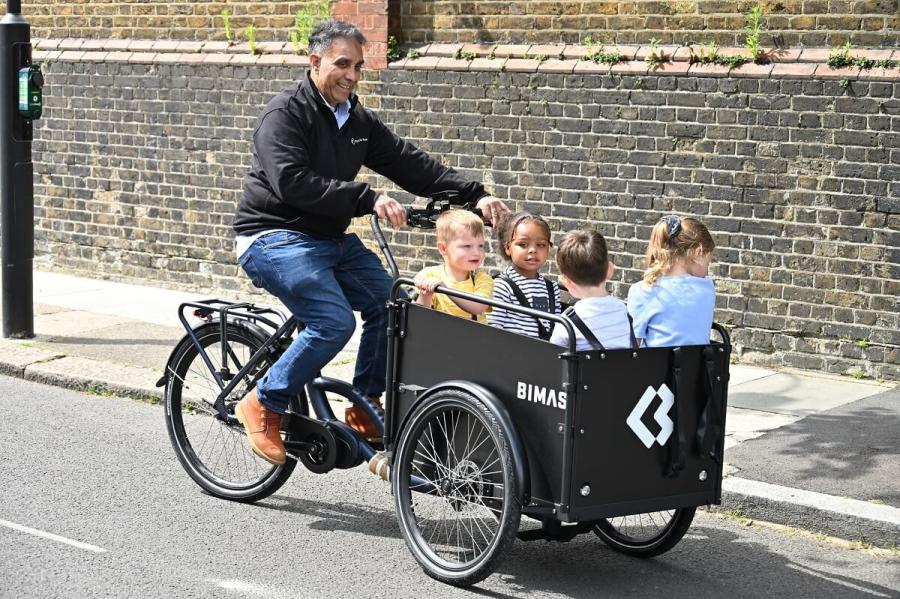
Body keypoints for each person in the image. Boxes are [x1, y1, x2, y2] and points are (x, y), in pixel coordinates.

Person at [231, 19, 508, 464]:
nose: (352, 75)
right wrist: (367, 197)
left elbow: (410, 164)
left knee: (392, 305)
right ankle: (264, 401)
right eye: (343, 64)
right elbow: (292, 183)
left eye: (359, 66)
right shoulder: (283, 116)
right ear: (314, 61)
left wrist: (475, 194)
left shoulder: (356, 120)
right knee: (333, 323)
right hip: (272, 236)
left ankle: (364, 402)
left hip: (327, 238)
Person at [627, 215, 716, 347]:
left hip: (656, 367)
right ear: (698, 252)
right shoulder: (708, 288)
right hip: (698, 367)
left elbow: (632, 347)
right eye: (708, 263)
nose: (707, 271)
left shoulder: (643, 291)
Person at [549, 229, 634, 351]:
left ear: (566, 282)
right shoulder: (624, 312)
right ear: (610, 270)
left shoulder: (567, 323)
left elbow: (554, 358)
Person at [488, 211, 561, 339]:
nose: (533, 250)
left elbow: (556, 331)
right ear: (508, 248)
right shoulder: (502, 286)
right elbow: (493, 330)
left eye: (541, 245)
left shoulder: (552, 288)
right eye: (523, 244)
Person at [414, 210, 493, 322]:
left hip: (473, 338)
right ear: (443, 248)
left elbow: (478, 308)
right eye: (467, 246)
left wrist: (445, 289)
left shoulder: (482, 280)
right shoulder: (429, 275)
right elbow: (419, 319)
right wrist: (426, 295)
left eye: (481, 246)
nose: (477, 252)